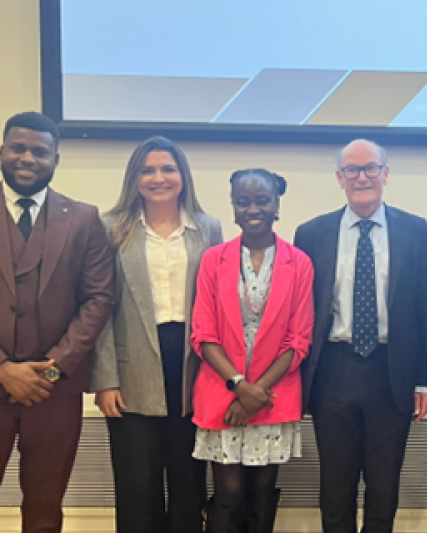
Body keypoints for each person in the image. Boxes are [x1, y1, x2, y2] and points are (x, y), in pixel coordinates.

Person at [294, 139, 427, 533]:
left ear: (385, 174)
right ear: (339, 179)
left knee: (384, 483)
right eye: (352, 170)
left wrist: (425, 379)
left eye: (370, 168)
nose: (362, 177)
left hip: (392, 372)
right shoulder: (311, 233)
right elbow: (301, 312)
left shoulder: (415, 230)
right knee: (335, 484)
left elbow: (426, 311)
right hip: (334, 372)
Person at [90, 136, 223, 533]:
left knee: (189, 480)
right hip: (131, 370)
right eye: (147, 170)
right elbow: (100, 308)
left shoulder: (208, 228)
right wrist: (106, 379)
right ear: (134, 178)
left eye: (168, 169)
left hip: (193, 366)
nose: (158, 178)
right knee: (137, 484)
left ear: (183, 177)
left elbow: (219, 306)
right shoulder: (110, 228)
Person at [0, 111, 114, 532]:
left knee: (45, 508)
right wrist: (3, 370)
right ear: (2, 152)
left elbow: (98, 298)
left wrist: (51, 369)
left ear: (55, 160)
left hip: (54, 392)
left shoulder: (84, 219)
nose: (28, 158)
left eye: (39, 151)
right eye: (18, 148)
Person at [191, 168, 314, 533]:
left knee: (262, 487)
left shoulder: (300, 262)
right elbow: (203, 333)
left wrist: (256, 394)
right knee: (228, 490)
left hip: (273, 394)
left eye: (262, 200)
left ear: (277, 205)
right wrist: (239, 387)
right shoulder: (214, 260)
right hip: (222, 392)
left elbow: (299, 338)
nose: (252, 209)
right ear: (233, 207)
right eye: (243, 202)